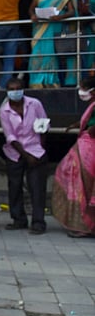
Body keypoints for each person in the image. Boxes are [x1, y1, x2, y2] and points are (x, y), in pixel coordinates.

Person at [0, 78, 49, 234]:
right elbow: (10, 137)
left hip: (36, 150)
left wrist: (40, 148)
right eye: (12, 89)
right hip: (15, 152)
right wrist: (26, 156)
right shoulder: (4, 111)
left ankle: (38, 222)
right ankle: (18, 219)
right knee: (15, 187)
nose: (15, 91)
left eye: (18, 88)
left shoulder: (34, 104)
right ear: (7, 91)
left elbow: (43, 125)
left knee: (37, 187)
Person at [53, 77, 95, 237]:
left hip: (89, 149)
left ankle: (84, 225)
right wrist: (77, 125)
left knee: (82, 186)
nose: (81, 91)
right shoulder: (92, 105)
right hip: (86, 147)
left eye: (83, 88)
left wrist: (89, 131)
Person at [28, 0, 77, 88]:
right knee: (37, 53)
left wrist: (60, 16)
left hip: (55, 26)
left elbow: (71, 11)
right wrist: (33, 16)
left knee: (52, 55)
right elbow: (31, 8)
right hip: (40, 27)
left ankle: (51, 82)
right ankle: (36, 82)